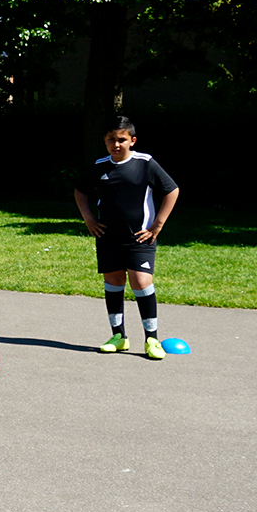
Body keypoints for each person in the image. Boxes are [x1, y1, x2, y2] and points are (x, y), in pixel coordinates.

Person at [73, 115, 180, 360]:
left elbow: (172, 190)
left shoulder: (145, 163)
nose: (116, 144)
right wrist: (89, 219)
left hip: (139, 238)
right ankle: (118, 336)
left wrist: (157, 225)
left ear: (132, 140)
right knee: (113, 282)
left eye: (121, 139)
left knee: (141, 282)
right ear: (105, 140)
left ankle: (151, 339)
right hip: (108, 237)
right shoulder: (100, 165)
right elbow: (80, 191)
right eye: (111, 139)